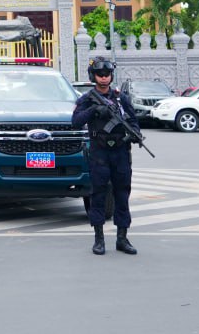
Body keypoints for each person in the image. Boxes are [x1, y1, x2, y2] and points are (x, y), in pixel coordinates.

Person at [71, 56, 139, 255]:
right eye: (100, 74)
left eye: (107, 74)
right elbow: (75, 121)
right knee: (98, 195)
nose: (103, 78)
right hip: (99, 153)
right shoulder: (87, 99)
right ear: (93, 76)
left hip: (120, 151)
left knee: (122, 194)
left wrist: (134, 134)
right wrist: (94, 110)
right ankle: (99, 239)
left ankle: (122, 238)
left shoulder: (121, 98)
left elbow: (133, 121)